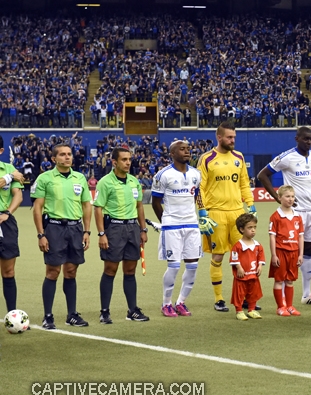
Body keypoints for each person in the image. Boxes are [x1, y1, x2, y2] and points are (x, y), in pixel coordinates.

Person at [258, 126, 311, 305]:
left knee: (308, 251)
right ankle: (286, 298)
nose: (308, 142)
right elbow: (262, 175)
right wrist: (278, 199)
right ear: (297, 139)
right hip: (296, 213)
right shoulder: (287, 157)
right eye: (305, 139)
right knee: (291, 254)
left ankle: (307, 294)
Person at [32, 144, 93, 329]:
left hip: (75, 229)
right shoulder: (45, 178)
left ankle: (72, 315)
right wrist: (41, 234)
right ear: (54, 159)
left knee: (71, 271)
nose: (67, 157)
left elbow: (86, 206)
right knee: (53, 271)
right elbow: (37, 208)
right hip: (54, 228)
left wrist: (87, 231)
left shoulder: (80, 178)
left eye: (69, 154)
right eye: (63, 155)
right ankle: (48, 316)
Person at [197, 121, 256, 312]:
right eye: (229, 137)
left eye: (234, 137)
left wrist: (250, 204)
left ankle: (246, 297)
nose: (233, 140)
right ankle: (219, 299)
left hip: (238, 213)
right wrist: (202, 212)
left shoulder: (238, 157)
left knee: (244, 254)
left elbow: (244, 184)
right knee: (218, 255)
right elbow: (200, 188)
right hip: (216, 214)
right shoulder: (206, 159)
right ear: (219, 137)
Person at [94, 147, 149, 324]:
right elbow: (98, 208)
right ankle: (104, 312)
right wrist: (102, 233)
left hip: (132, 228)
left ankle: (132, 310)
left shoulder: (134, 182)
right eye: (124, 160)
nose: (127, 163)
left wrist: (143, 229)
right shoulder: (105, 182)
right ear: (114, 162)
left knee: (130, 270)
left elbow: (140, 206)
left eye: (129, 159)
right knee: (110, 269)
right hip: (114, 229)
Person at [151, 140, 202, 318]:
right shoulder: (162, 175)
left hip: (191, 225)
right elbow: (155, 202)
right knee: (173, 266)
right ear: (172, 153)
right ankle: (166, 304)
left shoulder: (196, 174)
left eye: (188, 148)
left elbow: (194, 197)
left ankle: (181, 302)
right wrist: (165, 222)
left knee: (193, 266)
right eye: (182, 149)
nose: (187, 151)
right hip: (172, 225)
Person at [268, 185, 303, 317]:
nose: (290, 199)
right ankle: (280, 307)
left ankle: (289, 306)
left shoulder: (297, 216)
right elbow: (272, 236)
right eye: (287, 196)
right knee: (279, 280)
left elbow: (300, 236)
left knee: (290, 280)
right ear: (279, 197)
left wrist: (300, 254)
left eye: (292, 196)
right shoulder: (275, 216)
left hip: (294, 252)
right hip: (281, 252)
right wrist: (274, 255)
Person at [0, 135, 25, 312]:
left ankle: (12, 315)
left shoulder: (8, 167)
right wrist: (10, 177)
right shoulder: (10, 172)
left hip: (5, 222)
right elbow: (10, 180)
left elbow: (18, 194)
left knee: (8, 271)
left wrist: (8, 212)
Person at [228, 213, 264, 320]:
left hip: (253, 275)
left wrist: (260, 266)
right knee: (239, 293)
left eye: (254, 227)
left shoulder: (258, 245)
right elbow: (234, 258)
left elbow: (261, 258)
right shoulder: (237, 246)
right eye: (250, 228)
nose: (253, 230)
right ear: (242, 229)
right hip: (242, 276)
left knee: (253, 293)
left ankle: (251, 309)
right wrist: (239, 267)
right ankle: (239, 311)